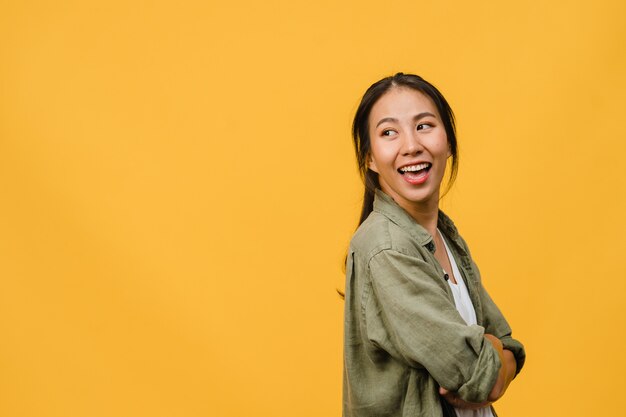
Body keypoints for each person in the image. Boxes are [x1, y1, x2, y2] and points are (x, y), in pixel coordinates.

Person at [342, 73, 525, 417]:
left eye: (424, 126)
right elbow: (479, 375)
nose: (411, 145)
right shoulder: (386, 248)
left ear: (449, 143)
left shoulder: (442, 235)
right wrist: (492, 353)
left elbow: (510, 346)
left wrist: (495, 350)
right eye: (389, 132)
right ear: (369, 158)